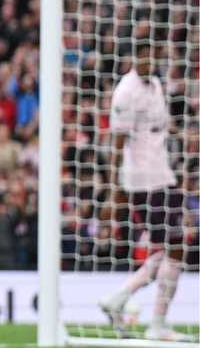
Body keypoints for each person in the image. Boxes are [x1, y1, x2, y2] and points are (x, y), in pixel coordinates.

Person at [98, 40, 189, 341]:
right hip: (142, 180)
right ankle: (156, 323)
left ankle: (120, 300)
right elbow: (118, 142)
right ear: (134, 57)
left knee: (172, 249)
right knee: (175, 247)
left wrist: (184, 134)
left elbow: (157, 129)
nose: (152, 59)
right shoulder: (126, 92)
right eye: (146, 55)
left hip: (162, 173)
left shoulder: (155, 85)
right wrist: (114, 190)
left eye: (156, 53)